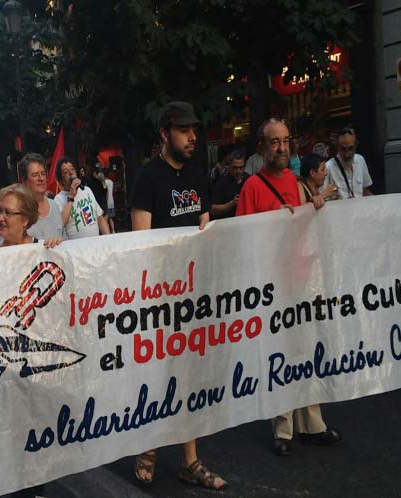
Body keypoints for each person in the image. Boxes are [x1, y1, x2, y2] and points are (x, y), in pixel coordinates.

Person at [130, 101, 225, 490]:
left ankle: (190, 460)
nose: (192, 136)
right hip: (160, 294)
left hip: (193, 294)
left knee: (188, 375)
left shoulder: (199, 176)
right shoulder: (147, 178)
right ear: (164, 134)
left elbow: (204, 231)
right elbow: (142, 243)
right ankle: (148, 446)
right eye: (184, 130)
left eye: (194, 129)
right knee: (157, 373)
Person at [236, 118, 343, 455]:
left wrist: (313, 208)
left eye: (285, 141)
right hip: (273, 286)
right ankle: (283, 428)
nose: (281, 147)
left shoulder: (297, 184)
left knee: (307, 351)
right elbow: (241, 238)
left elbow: (305, 231)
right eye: (274, 142)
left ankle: (312, 423)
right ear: (262, 147)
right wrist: (273, 225)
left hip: (301, 281)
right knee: (281, 355)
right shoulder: (253, 187)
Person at [0, 184, 59, 498]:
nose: (1, 218)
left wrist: (62, 253)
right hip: (4, 363)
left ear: (26, 219)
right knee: (9, 432)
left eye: (8, 212)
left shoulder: (46, 251)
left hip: (39, 361)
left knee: (38, 430)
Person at [53, 157, 109, 239]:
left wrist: (109, 238)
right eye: (65, 172)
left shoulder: (87, 190)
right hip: (77, 246)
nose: (70, 173)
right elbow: (60, 225)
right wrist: (71, 197)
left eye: (72, 169)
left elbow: (100, 218)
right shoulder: (58, 199)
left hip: (95, 243)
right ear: (61, 180)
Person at [18, 153, 65, 241]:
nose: (41, 178)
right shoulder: (16, 211)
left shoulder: (54, 205)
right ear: (24, 181)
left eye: (43, 174)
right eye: (35, 175)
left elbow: (63, 239)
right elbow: (6, 247)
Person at [325, 127, 373, 199]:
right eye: (343, 149)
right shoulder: (328, 167)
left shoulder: (360, 160)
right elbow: (323, 197)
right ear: (337, 147)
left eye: (350, 148)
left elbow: (366, 191)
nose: (347, 154)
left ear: (356, 145)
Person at [210, 149, 249, 219]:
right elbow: (213, 209)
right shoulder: (222, 183)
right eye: (235, 168)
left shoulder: (249, 180)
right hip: (228, 220)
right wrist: (232, 203)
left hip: (246, 219)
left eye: (241, 167)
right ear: (229, 166)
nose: (238, 171)